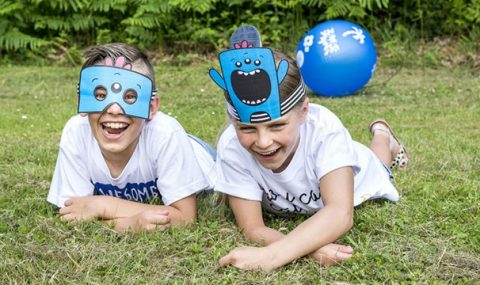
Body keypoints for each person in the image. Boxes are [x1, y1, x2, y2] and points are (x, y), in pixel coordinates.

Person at [209, 30, 409, 270]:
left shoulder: (324, 127)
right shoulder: (231, 145)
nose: (263, 142)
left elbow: (339, 213)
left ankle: (383, 134)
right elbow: (252, 227)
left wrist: (270, 257)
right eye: (247, 128)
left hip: (359, 174)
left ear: (304, 111)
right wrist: (310, 250)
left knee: (379, 161)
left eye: (277, 125)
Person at [47, 43, 216, 233]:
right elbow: (73, 212)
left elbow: (185, 217)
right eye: (101, 95)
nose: (114, 109)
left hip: (201, 155)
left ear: (151, 108)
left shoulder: (166, 133)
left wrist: (105, 207)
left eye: (130, 97)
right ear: (82, 103)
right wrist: (128, 221)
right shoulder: (76, 131)